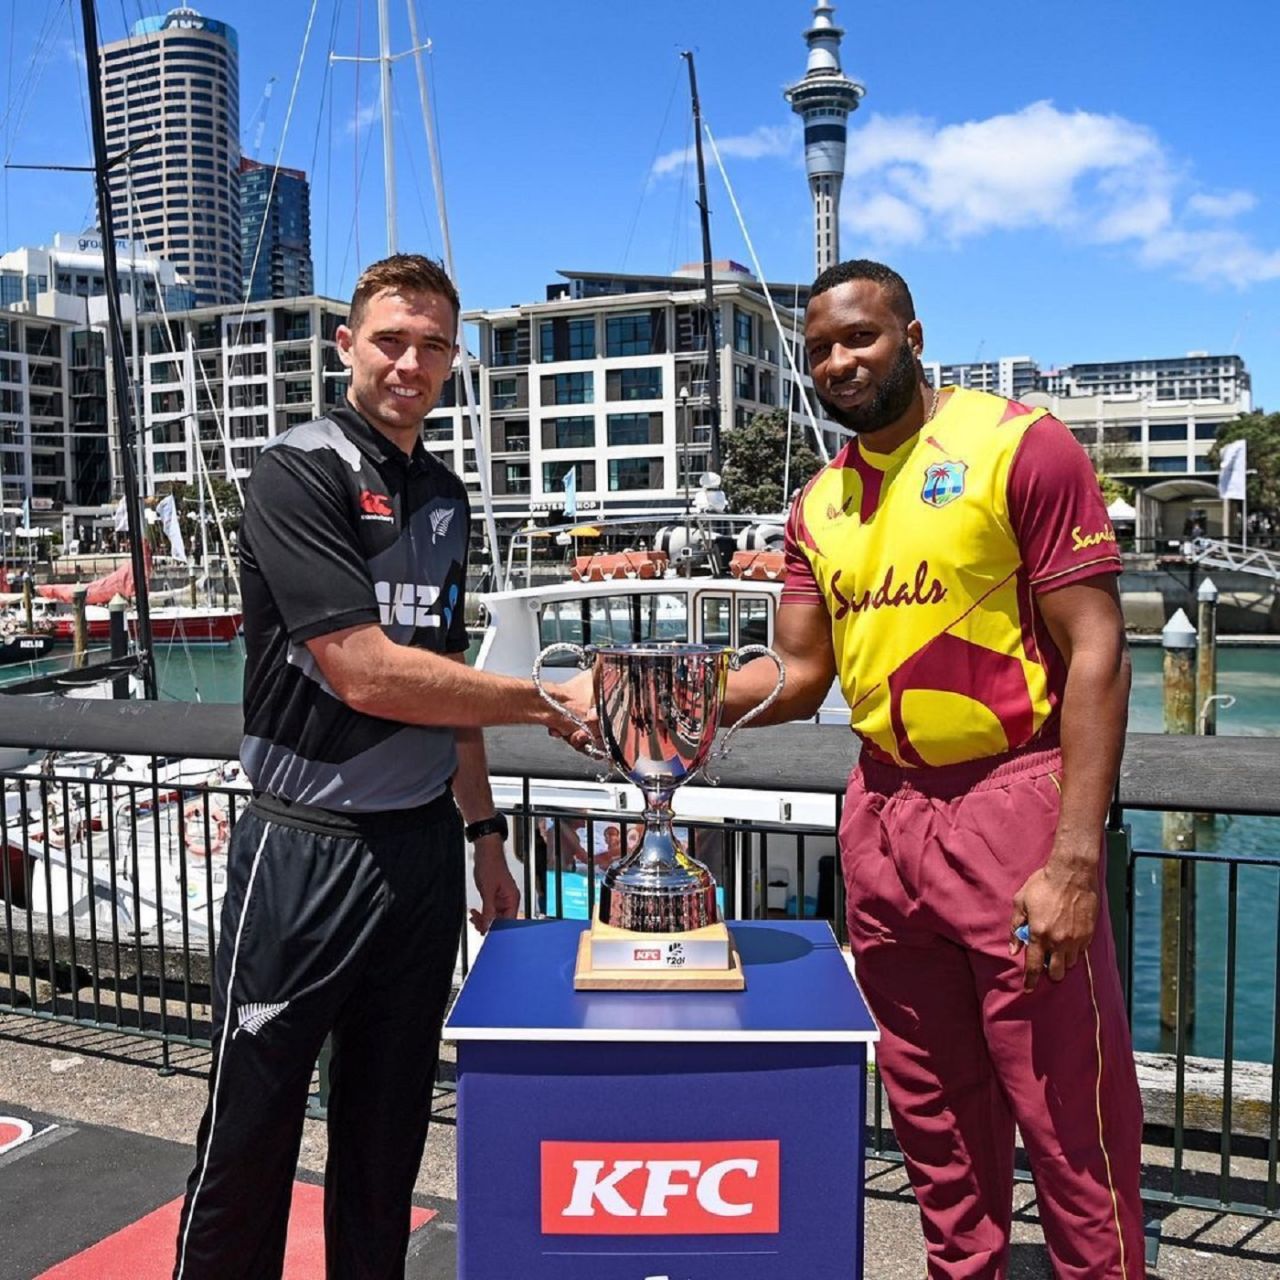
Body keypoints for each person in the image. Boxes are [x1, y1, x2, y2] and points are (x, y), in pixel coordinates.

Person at [719, 260, 1144, 1276]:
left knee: (1068, 1120)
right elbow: (797, 672)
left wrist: (1074, 858)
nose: (838, 361)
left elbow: (1096, 648)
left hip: (1011, 799)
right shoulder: (817, 504)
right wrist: (666, 694)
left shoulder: (1016, 445)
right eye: (819, 347)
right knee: (934, 1119)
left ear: (911, 335)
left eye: (858, 337)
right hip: (881, 811)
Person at [173, 253, 582, 1280]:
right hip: (302, 846)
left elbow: (442, 680)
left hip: (418, 854)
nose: (411, 361)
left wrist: (484, 833)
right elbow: (361, 670)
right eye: (391, 339)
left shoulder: (443, 493)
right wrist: (550, 699)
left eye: (433, 344)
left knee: (387, 1137)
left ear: (453, 360)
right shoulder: (297, 468)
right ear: (347, 344)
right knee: (250, 1133)